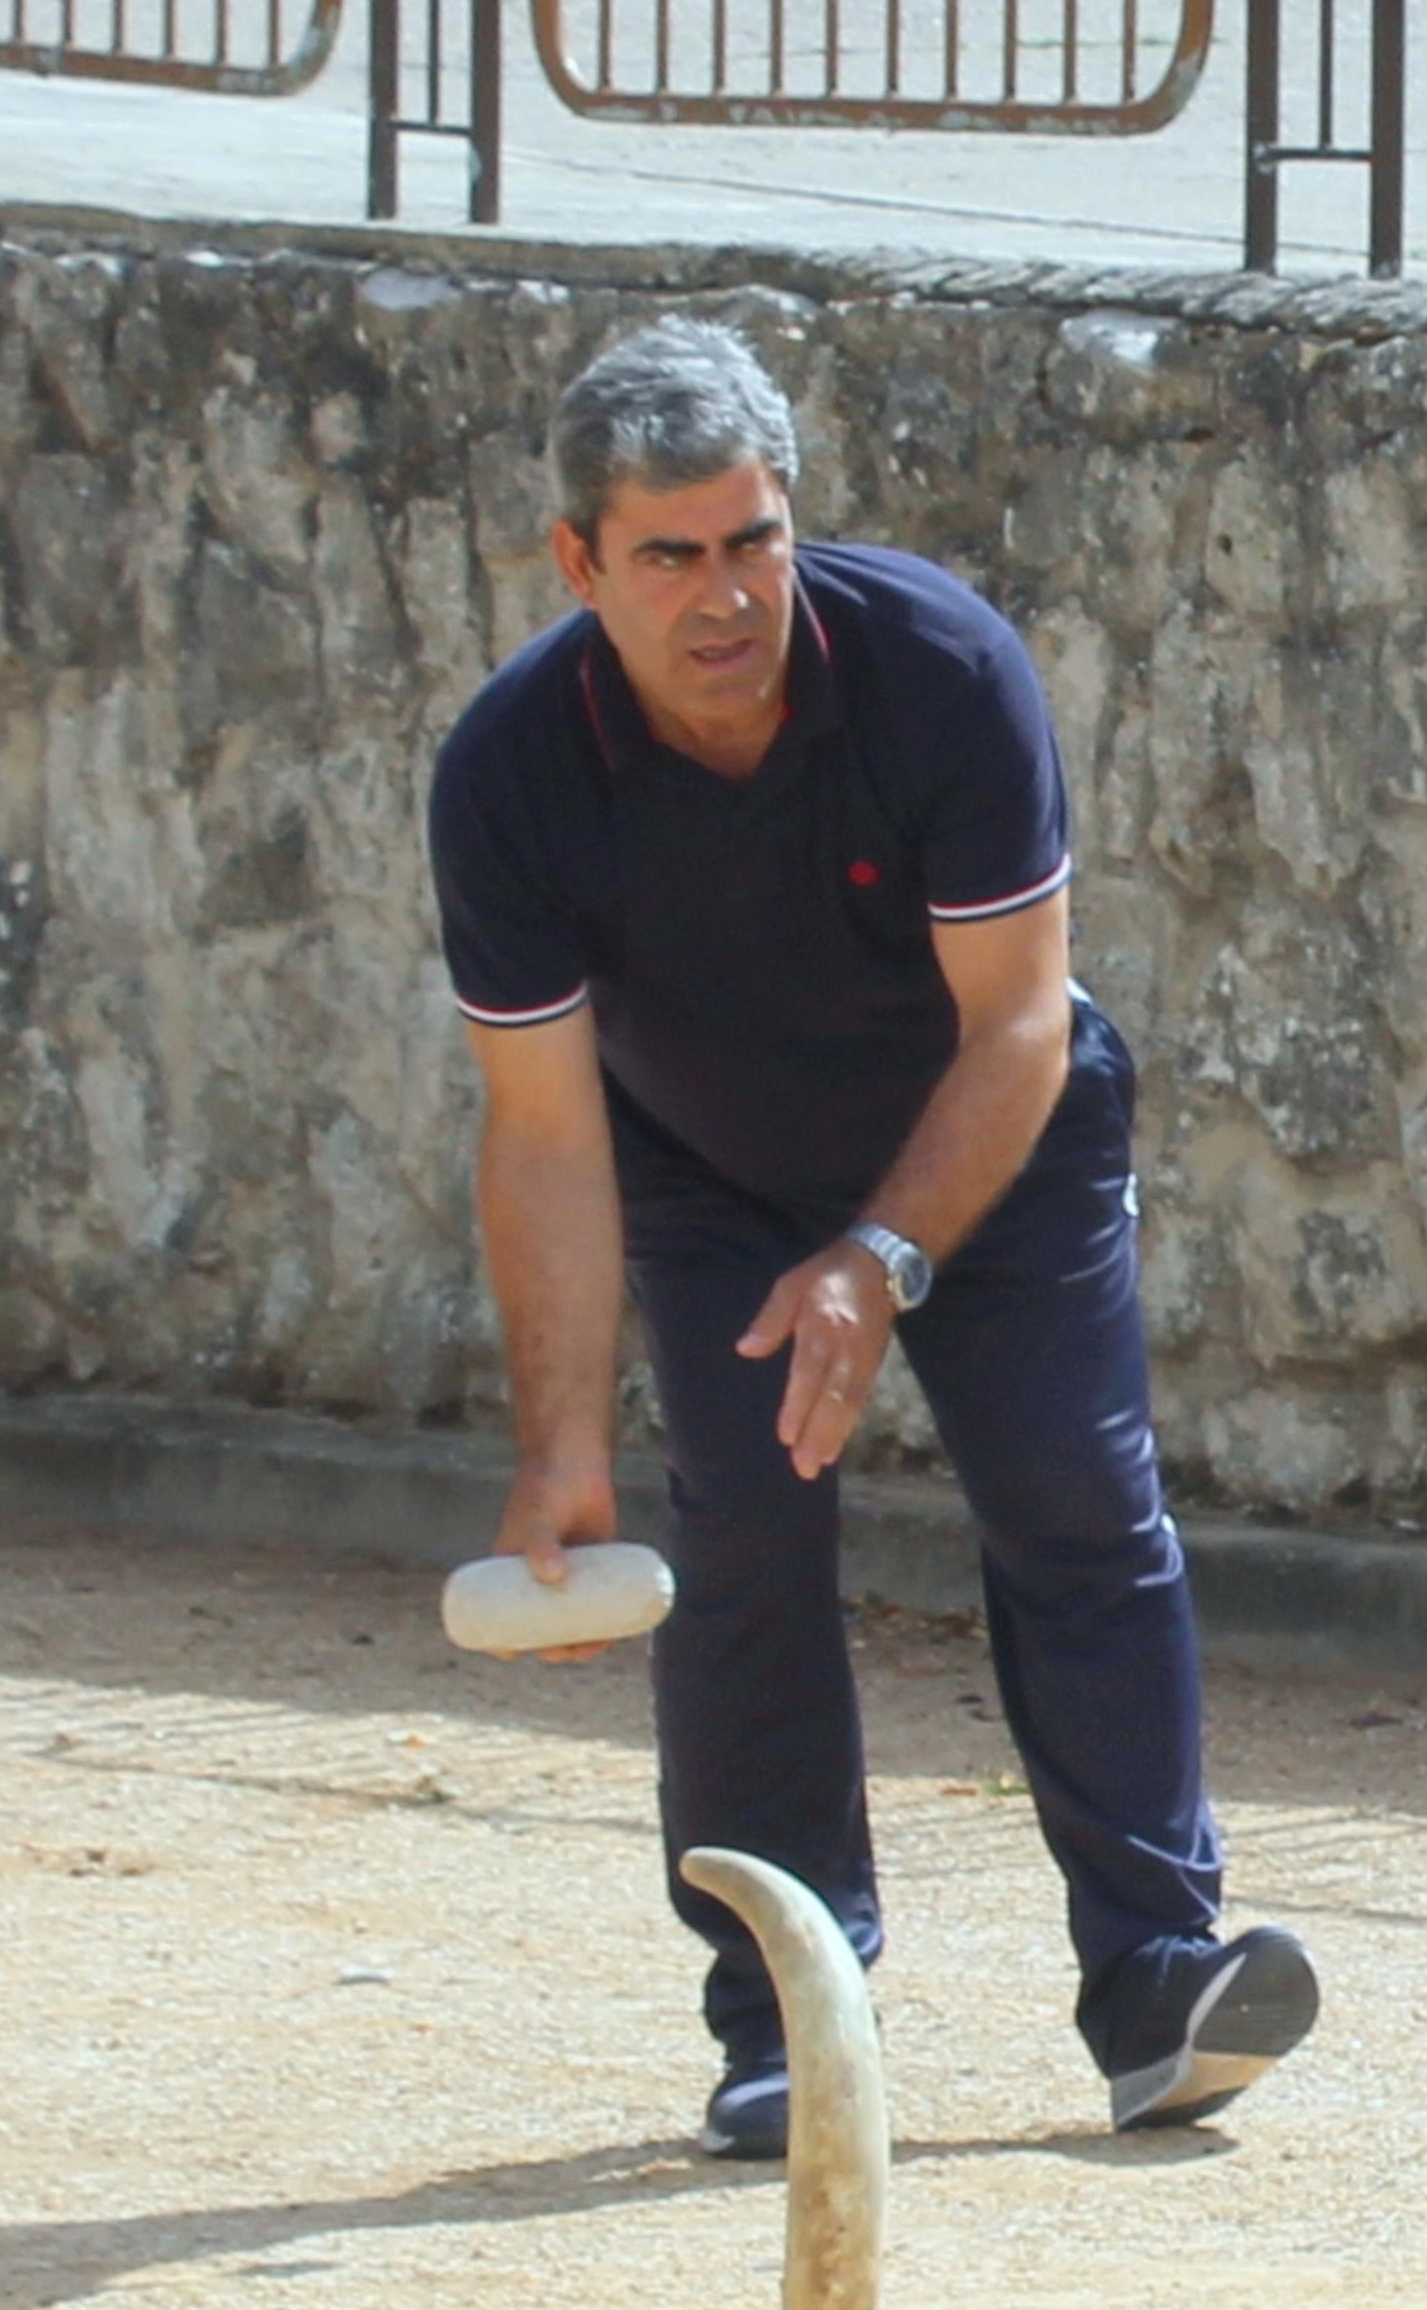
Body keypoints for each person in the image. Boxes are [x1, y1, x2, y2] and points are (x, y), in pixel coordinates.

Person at [426, 319, 1318, 2158]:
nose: (723, 595)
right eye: (667, 555)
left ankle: (1158, 1974)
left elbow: (1016, 1021)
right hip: (706, 1171)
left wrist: (882, 1255)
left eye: (750, 541)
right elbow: (543, 1130)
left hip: (986, 1142)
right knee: (741, 1532)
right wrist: (561, 1454)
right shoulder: (511, 773)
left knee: (1077, 1494)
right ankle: (786, 2017)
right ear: (578, 562)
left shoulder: (935, 670)